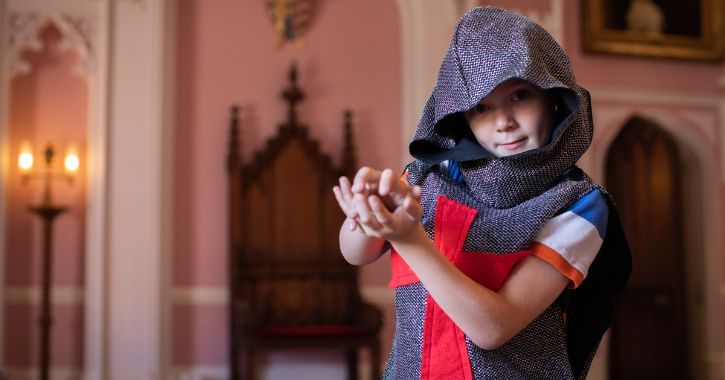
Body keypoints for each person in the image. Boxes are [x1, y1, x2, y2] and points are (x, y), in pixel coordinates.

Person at [333, 7, 631, 380]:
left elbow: (493, 328)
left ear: (555, 97)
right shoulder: (431, 174)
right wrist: (368, 211)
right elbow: (356, 253)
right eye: (482, 107)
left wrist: (409, 239)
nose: (503, 122)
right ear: (462, 117)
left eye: (520, 95)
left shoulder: (580, 205)